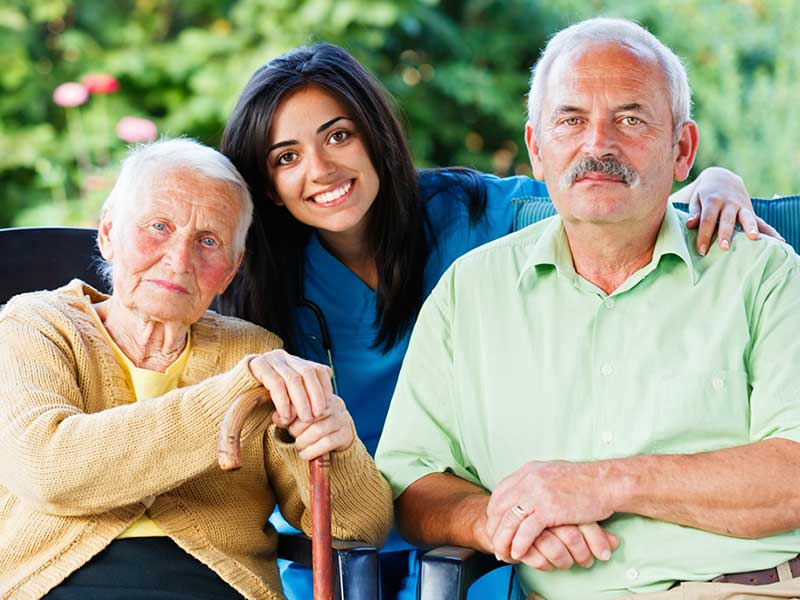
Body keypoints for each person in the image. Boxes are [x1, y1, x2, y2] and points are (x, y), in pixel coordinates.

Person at [218, 43, 783, 598]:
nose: (320, 169)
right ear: (266, 183)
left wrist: (716, 184)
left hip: (487, 544)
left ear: (376, 137)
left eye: (339, 135)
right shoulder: (253, 279)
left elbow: (601, 190)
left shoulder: (471, 217)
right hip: (348, 531)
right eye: (286, 156)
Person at [375, 16, 800, 600]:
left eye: (630, 119)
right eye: (571, 120)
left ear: (682, 150)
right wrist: (500, 520)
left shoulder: (764, 274)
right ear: (537, 149)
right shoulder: (468, 292)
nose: (597, 144)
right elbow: (410, 480)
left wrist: (602, 484)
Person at [0, 138, 392, 600]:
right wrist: (235, 395)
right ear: (107, 233)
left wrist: (336, 447)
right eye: (159, 227)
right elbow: (50, 473)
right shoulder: (35, 325)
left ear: (230, 270)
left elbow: (358, 529)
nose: (179, 260)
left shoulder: (252, 349)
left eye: (209, 241)